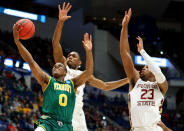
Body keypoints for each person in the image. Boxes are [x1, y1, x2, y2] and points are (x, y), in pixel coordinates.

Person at [52, 2, 129, 131]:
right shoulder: (62, 67)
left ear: (79, 63)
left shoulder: (84, 76)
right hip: (60, 114)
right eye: (69, 55)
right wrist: (60, 22)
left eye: (74, 56)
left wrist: (127, 79)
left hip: (77, 116)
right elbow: (55, 44)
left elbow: (105, 86)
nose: (70, 57)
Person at [13, 24, 93, 131]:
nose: (56, 66)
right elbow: (31, 61)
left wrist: (88, 51)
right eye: (55, 66)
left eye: (59, 66)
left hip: (66, 125)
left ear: (65, 72)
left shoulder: (72, 84)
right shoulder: (47, 81)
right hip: (48, 122)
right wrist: (18, 42)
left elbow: (88, 72)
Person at [120, 9, 168, 131]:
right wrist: (124, 27)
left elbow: (157, 71)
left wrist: (142, 51)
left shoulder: (162, 86)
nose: (142, 69)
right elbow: (125, 53)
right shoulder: (135, 81)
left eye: (146, 67)